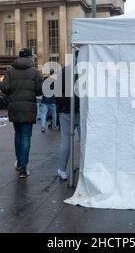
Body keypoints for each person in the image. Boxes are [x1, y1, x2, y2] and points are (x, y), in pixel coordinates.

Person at [0, 48, 43, 179]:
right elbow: (39, 91)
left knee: (18, 135)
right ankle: (23, 168)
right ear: (30, 58)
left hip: (14, 107)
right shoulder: (35, 72)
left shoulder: (10, 72)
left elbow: (5, 88)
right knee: (26, 137)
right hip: (28, 108)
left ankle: (19, 163)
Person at [56, 51, 80, 181]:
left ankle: (62, 169)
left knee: (66, 142)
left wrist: (60, 108)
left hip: (66, 111)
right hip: (82, 112)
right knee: (85, 142)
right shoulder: (87, 71)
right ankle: (85, 168)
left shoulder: (65, 70)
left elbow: (57, 92)